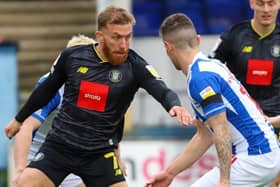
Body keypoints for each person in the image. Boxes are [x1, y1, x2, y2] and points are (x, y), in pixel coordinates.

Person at [5, 5, 193, 187]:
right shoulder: (72, 57)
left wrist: (173, 105)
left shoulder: (135, 66)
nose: (123, 45)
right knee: (25, 184)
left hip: (99, 153)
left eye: (128, 37)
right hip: (61, 146)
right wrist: (18, 119)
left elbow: (160, 88)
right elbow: (46, 89)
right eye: (116, 37)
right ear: (100, 37)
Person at [145, 13, 280, 187]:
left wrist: (224, 180)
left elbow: (220, 127)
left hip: (254, 158)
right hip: (266, 156)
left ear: (167, 47)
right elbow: (205, 135)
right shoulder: (210, 67)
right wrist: (170, 173)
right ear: (198, 40)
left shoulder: (201, 78)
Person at [11, 34, 98, 187]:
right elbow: (25, 126)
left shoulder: (95, 88)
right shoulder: (52, 86)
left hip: (72, 160)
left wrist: (118, 157)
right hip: (38, 160)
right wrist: (20, 170)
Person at [209, 1, 280, 185]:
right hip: (242, 129)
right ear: (251, 3)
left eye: (271, 3)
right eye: (260, 3)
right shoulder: (234, 36)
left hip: (276, 123)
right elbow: (208, 71)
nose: (266, 9)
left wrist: (274, 121)